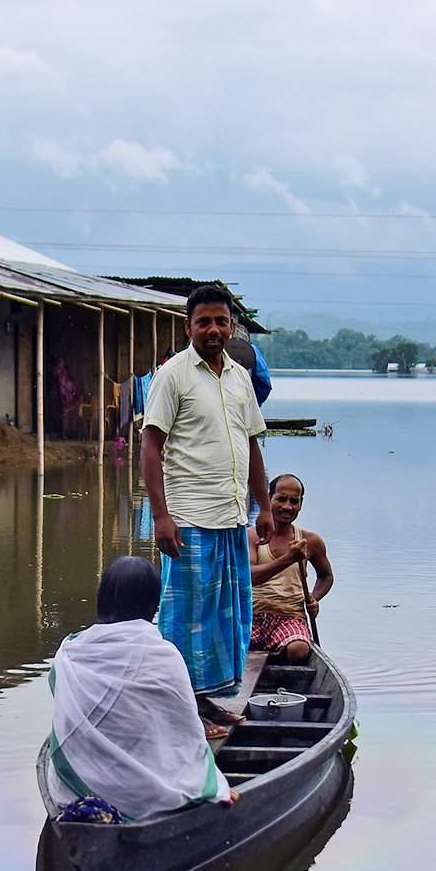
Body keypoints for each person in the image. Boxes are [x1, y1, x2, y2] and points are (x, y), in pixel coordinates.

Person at [141, 284, 272, 738]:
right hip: (190, 519)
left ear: (232, 326)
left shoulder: (238, 377)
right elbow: (151, 447)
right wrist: (160, 516)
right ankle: (182, 711)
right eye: (204, 322)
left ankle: (209, 703)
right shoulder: (173, 375)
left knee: (226, 618)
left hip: (233, 516)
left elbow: (252, 444)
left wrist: (265, 509)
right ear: (188, 327)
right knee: (185, 621)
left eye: (221, 321)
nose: (214, 330)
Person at [44, 557, 227, 822]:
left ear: (103, 598)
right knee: (192, 771)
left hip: (73, 790)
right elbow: (188, 733)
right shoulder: (164, 654)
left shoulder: (70, 651)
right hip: (145, 798)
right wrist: (214, 787)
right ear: (153, 603)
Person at [249, 473, 333, 663]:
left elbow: (326, 576)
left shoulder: (310, 541)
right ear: (269, 498)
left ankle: (275, 658)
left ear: (301, 504)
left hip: (290, 616)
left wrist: (313, 597)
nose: (287, 507)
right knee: (229, 645)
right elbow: (251, 576)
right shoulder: (252, 537)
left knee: (299, 649)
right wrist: (289, 558)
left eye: (294, 501)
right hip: (252, 615)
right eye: (281, 499)